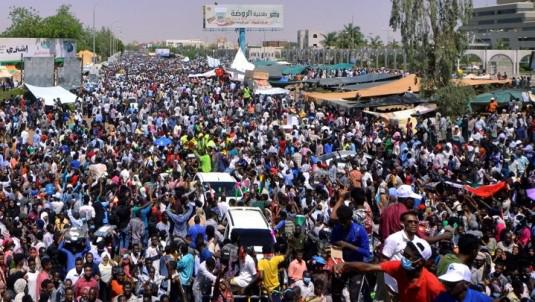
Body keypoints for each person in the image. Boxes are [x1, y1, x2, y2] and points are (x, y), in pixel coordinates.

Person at [334, 241, 445, 302]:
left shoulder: (433, 285)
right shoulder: (399, 268)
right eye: (404, 254)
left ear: (420, 262)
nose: (403, 259)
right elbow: (370, 267)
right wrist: (346, 264)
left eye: (408, 256)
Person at [329, 201, 370, 302]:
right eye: (340, 221)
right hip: (341, 265)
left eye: (344, 222)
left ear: (349, 219)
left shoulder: (360, 231)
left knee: (354, 295)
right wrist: (334, 264)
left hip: (356, 266)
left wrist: (348, 245)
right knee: (336, 293)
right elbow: (333, 246)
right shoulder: (337, 229)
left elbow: (366, 253)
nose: (342, 224)